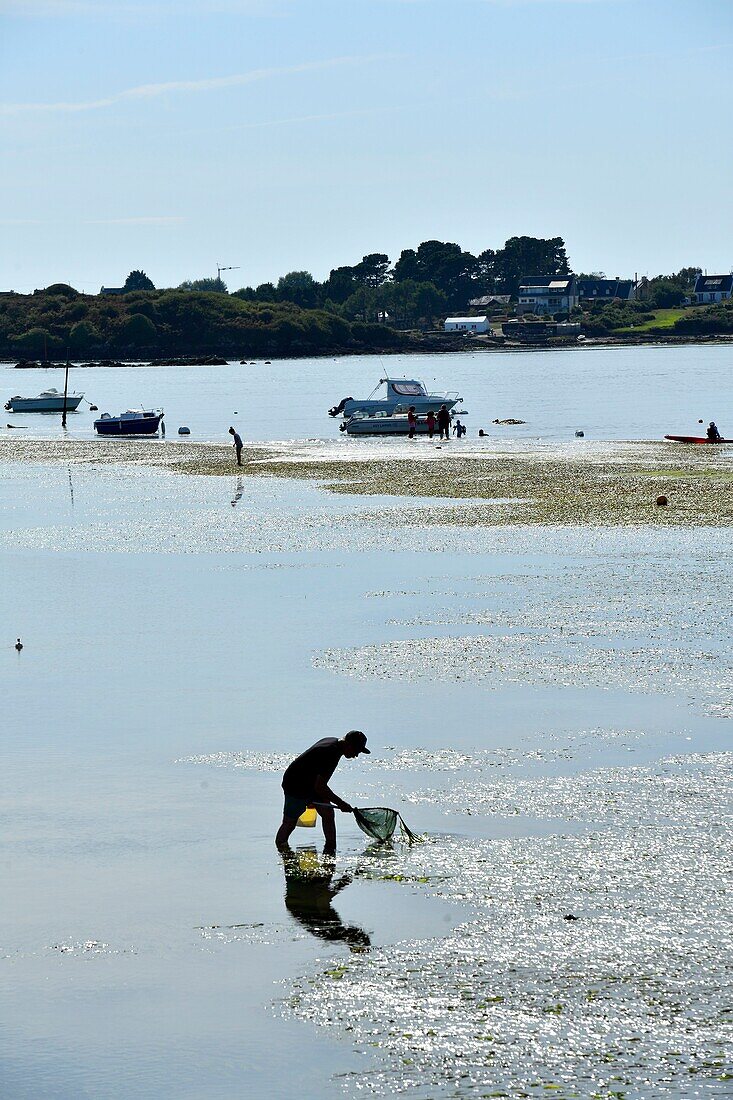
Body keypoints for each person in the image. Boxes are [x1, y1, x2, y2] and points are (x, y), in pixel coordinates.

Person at [275, 730, 371, 853]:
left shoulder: (334, 743)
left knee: (328, 813)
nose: (356, 755)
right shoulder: (330, 753)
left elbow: (318, 784)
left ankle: (331, 849)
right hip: (295, 784)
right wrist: (341, 803)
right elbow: (320, 787)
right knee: (289, 823)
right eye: (356, 751)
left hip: (310, 783)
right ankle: (281, 850)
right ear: (348, 744)